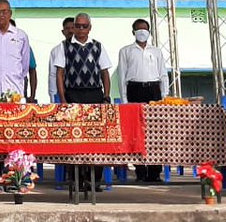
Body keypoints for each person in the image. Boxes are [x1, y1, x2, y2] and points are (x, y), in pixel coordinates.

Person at [53, 12, 113, 193]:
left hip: (95, 95)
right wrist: (63, 99)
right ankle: (76, 180)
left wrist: (106, 97)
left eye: (84, 26)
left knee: (97, 139)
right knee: (74, 140)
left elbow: (105, 73)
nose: (80, 29)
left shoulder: (98, 46)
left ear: (90, 28)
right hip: (73, 95)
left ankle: (94, 180)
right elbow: (59, 74)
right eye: (77, 26)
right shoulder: (63, 47)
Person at [0, 0, 32, 191]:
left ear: (10, 14)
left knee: (13, 138)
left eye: (5, 12)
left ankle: (13, 178)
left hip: (13, 96)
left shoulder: (21, 36)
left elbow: (24, 66)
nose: (1, 15)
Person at [117, 18, 170, 183]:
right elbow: (122, 76)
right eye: (138, 29)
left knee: (155, 133)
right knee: (136, 132)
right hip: (134, 89)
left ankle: (155, 172)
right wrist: (125, 100)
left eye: (145, 29)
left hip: (154, 90)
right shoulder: (125, 51)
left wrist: (164, 96)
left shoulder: (156, 51)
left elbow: (163, 74)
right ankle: (140, 171)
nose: (142, 32)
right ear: (133, 32)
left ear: (149, 32)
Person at [46, 17, 75, 102]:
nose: (70, 31)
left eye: (72, 28)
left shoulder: (87, 48)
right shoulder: (56, 50)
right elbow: (53, 74)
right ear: (63, 32)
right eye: (67, 28)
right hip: (61, 94)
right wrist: (53, 96)